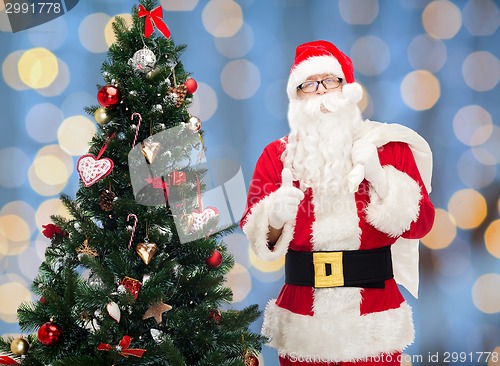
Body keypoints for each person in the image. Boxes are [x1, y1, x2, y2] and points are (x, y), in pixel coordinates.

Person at [240, 40, 435, 366]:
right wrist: (273, 218)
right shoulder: (276, 157)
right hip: (303, 323)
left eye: (330, 81)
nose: (321, 93)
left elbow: (423, 223)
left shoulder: (388, 148)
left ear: (348, 89)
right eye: (309, 85)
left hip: (375, 320)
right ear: (296, 96)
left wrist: (381, 178)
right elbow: (261, 246)